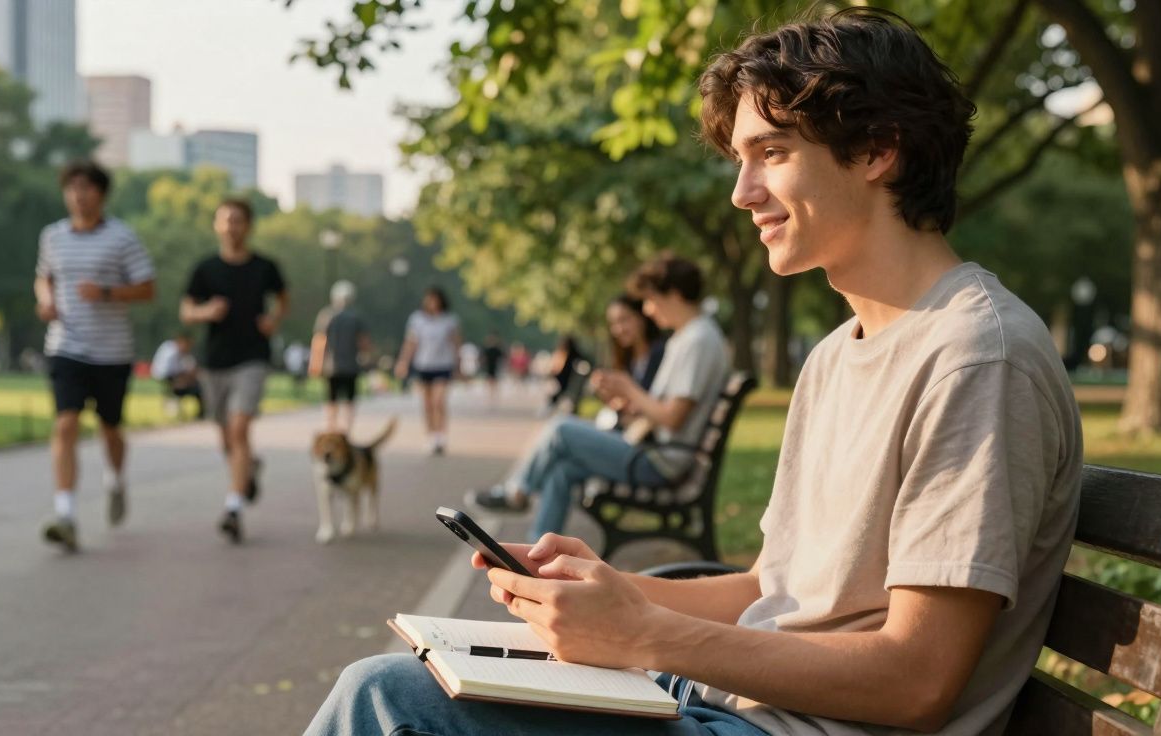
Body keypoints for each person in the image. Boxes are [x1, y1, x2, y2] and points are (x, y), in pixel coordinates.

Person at [305, 8, 1083, 736]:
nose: (743, 193)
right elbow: (771, 589)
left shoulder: (977, 358)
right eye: (741, 160)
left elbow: (917, 679)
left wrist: (646, 634)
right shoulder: (837, 355)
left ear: (879, 150)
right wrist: (613, 593)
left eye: (772, 154)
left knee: (385, 698)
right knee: (416, 680)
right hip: (725, 707)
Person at [468, 254, 729, 543]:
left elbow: (673, 418)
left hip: (660, 461)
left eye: (651, 299)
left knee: (561, 428)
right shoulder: (689, 338)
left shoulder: (697, 340)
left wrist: (629, 389)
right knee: (563, 470)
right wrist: (627, 401)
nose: (647, 309)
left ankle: (516, 493)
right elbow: (665, 412)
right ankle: (538, 549)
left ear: (675, 294)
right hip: (655, 451)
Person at [34, 160, 156, 552]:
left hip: (111, 351)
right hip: (66, 345)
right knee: (65, 424)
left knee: (110, 429)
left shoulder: (122, 238)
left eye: (86, 188)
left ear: (101, 194)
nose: (79, 196)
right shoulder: (53, 236)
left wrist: (106, 292)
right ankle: (65, 514)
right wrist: (46, 300)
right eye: (72, 189)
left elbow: (147, 288)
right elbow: (44, 276)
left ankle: (115, 479)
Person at [180, 199, 288, 545]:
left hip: (252, 358)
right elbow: (186, 311)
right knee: (227, 437)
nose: (231, 227)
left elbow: (283, 297)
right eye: (225, 220)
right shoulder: (206, 268)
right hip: (215, 361)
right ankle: (248, 469)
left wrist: (273, 319)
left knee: (239, 428)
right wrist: (206, 312)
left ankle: (233, 508)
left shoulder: (264, 267)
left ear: (249, 226)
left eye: (238, 220)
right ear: (216, 225)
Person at [395, 286, 461, 455]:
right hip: (423, 365)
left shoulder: (449, 320)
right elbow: (411, 343)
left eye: (435, 299)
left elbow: (456, 343)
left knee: (439, 401)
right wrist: (403, 362)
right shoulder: (417, 320)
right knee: (427, 404)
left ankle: (441, 435)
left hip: (443, 365)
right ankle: (431, 435)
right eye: (429, 300)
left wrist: (458, 365)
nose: (432, 303)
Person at [595, 293, 667, 430]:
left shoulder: (661, 353)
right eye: (613, 324)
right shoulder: (628, 361)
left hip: (647, 435)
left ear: (641, 317)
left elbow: (657, 403)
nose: (618, 330)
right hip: (628, 431)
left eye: (624, 320)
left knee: (561, 428)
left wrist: (627, 390)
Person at [309, 280, 371, 433]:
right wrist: (367, 358)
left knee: (331, 399)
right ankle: (346, 431)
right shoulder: (356, 317)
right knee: (349, 400)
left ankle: (332, 428)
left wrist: (315, 363)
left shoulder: (326, 315)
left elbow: (320, 341)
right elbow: (363, 342)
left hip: (332, 367)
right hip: (351, 366)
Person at [150, 333, 204, 419]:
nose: (189, 348)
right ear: (182, 342)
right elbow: (170, 372)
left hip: (172, 379)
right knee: (199, 388)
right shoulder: (172, 352)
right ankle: (201, 413)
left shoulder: (170, 348)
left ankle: (201, 413)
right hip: (170, 380)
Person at [481, 332, 505, 403]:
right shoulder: (487, 349)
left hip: (495, 366)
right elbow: (483, 358)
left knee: (494, 379)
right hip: (489, 366)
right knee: (489, 379)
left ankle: (494, 394)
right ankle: (490, 394)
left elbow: (502, 357)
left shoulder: (496, 349)